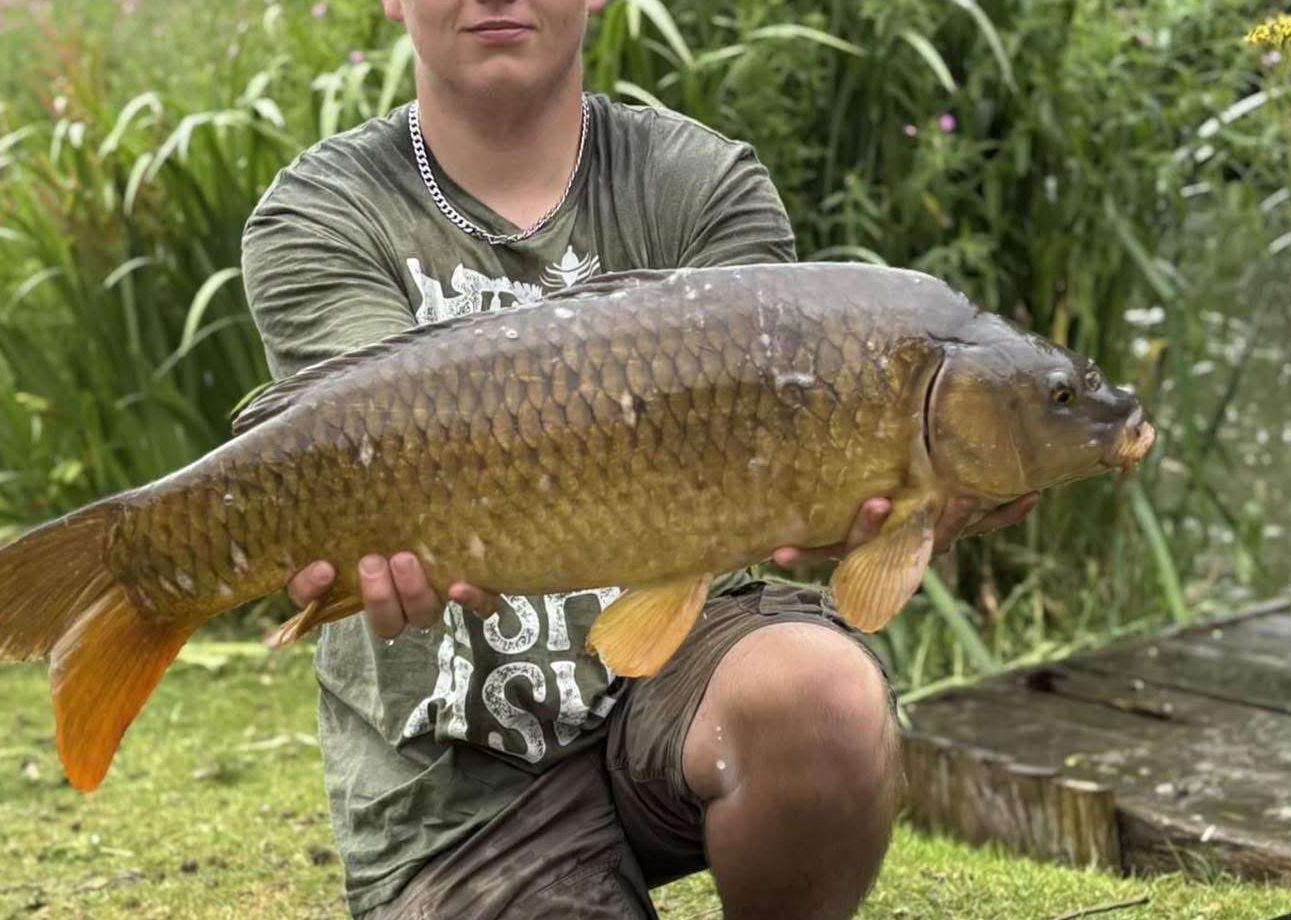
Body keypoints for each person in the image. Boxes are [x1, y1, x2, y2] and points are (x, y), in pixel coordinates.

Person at [240, 1, 1037, 917]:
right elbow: (371, 438)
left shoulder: (701, 182)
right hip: (454, 773)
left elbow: (787, 459)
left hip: (682, 681)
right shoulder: (322, 212)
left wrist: (876, 506)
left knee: (820, 697)